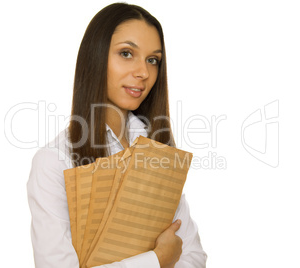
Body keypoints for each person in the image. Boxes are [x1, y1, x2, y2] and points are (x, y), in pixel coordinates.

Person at [27, 3, 207, 267]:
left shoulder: (156, 148)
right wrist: (157, 260)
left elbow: (194, 256)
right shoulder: (55, 161)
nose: (143, 72)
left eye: (152, 60)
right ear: (96, 57)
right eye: (126, 53)